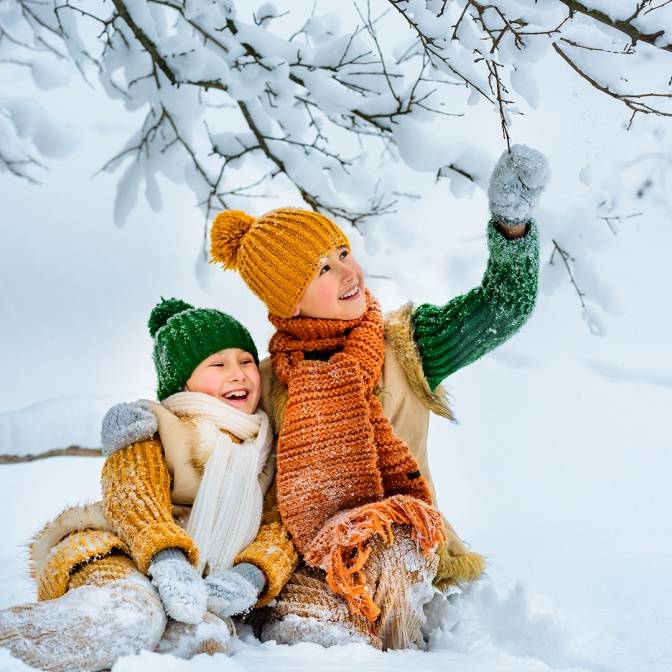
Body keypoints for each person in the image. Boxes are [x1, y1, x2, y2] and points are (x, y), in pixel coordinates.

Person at [201, 144, 550, 649]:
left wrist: (511, 225)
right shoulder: (272, 379)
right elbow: (204, 436)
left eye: (343, 254)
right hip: (313, 555)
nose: (349, 273)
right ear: (287, 300)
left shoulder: (408, 344)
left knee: (383, 565)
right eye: (322, 269)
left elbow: (502, 308)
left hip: (403, 543)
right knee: (303, 637)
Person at [0, 298, 293, 671]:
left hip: (201, 581)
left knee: (203, 640)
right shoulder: (154, 426)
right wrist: (166, 558)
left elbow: (279, 523)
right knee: (129, 617)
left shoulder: (268, 447)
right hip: (118, 549)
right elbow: (134, 493)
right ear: (182, 380)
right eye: (218, 365)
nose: (237, 373)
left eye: (246, 361)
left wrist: (251, 575)